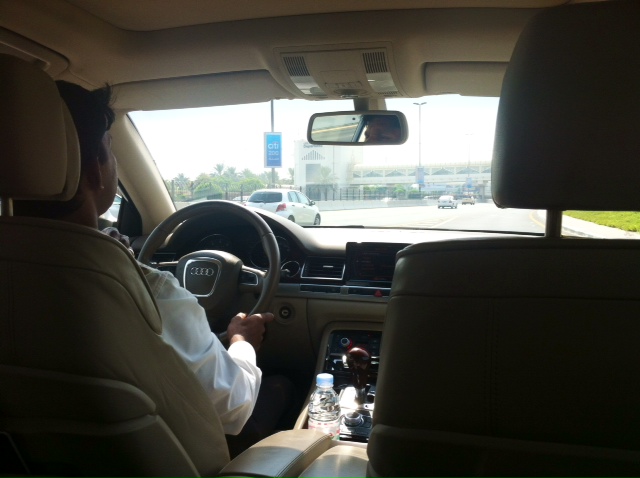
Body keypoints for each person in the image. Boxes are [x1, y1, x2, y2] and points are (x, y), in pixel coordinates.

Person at [15, 81, 292, 456]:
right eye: (112, 151)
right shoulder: (147, 290)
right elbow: (234, 405)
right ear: (95, 170)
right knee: (281, 386)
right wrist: (241, 342)